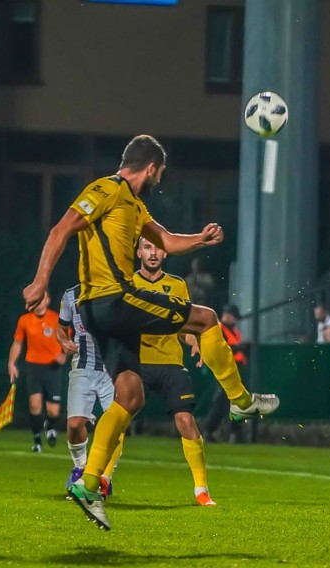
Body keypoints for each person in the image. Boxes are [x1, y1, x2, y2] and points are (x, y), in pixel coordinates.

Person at [21, 134, 278, 530]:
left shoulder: (136, 206)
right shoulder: (106, 189)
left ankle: (89, 486)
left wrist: (201, 239)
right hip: (113, 300)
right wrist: (40, 282)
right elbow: (61, 230)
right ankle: (241, 400)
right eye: (161, 172)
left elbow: (169, 242)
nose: (160, 178)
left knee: (130, 394)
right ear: (153, 168)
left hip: (101, 312)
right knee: (207, 319)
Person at [133, 237, 216, 506]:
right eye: (147, 247)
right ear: (138, 253)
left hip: (170, 363)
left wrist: (195, 342)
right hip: (137, 362)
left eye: (157, 248)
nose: (153, 252)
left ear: (165, 253)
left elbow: (185, 324)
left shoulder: (178, 285)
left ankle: (201, 490)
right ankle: (104, 479)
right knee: (119, 420)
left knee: (186, 421)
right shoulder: (129, 284)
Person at [57, 284, 123, 494]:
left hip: (113, 369)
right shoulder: (70, 295)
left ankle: (104, 478)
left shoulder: (117, 290)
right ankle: (81, 468)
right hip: (83, 367)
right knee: (74, 425)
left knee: (116, 426)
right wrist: (64, 341)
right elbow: (61, 327)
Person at [8, 294, 66, 453]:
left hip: (52, 368)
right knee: (35, 405)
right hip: (33, 367)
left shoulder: (57, 318)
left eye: (42, 299)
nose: (39, 303)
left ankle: (49, 425)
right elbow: (18, 343)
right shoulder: (24, 320)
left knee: (54, 411)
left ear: (47, 300)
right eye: (37, 300)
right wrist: (12, 363)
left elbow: (68, 340)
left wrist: (64, 354)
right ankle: (37, 440)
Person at [203, 304, 247, 445]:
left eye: (230, 314)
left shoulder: (234, 331)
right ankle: (210, 430)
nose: (227, 316)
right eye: (226, 313)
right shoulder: (219, 329)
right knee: (222, 402)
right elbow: (222, 348)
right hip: (224, 368)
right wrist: (238, 348)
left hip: (235, 369)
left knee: (232, 402)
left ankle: (233, 433)